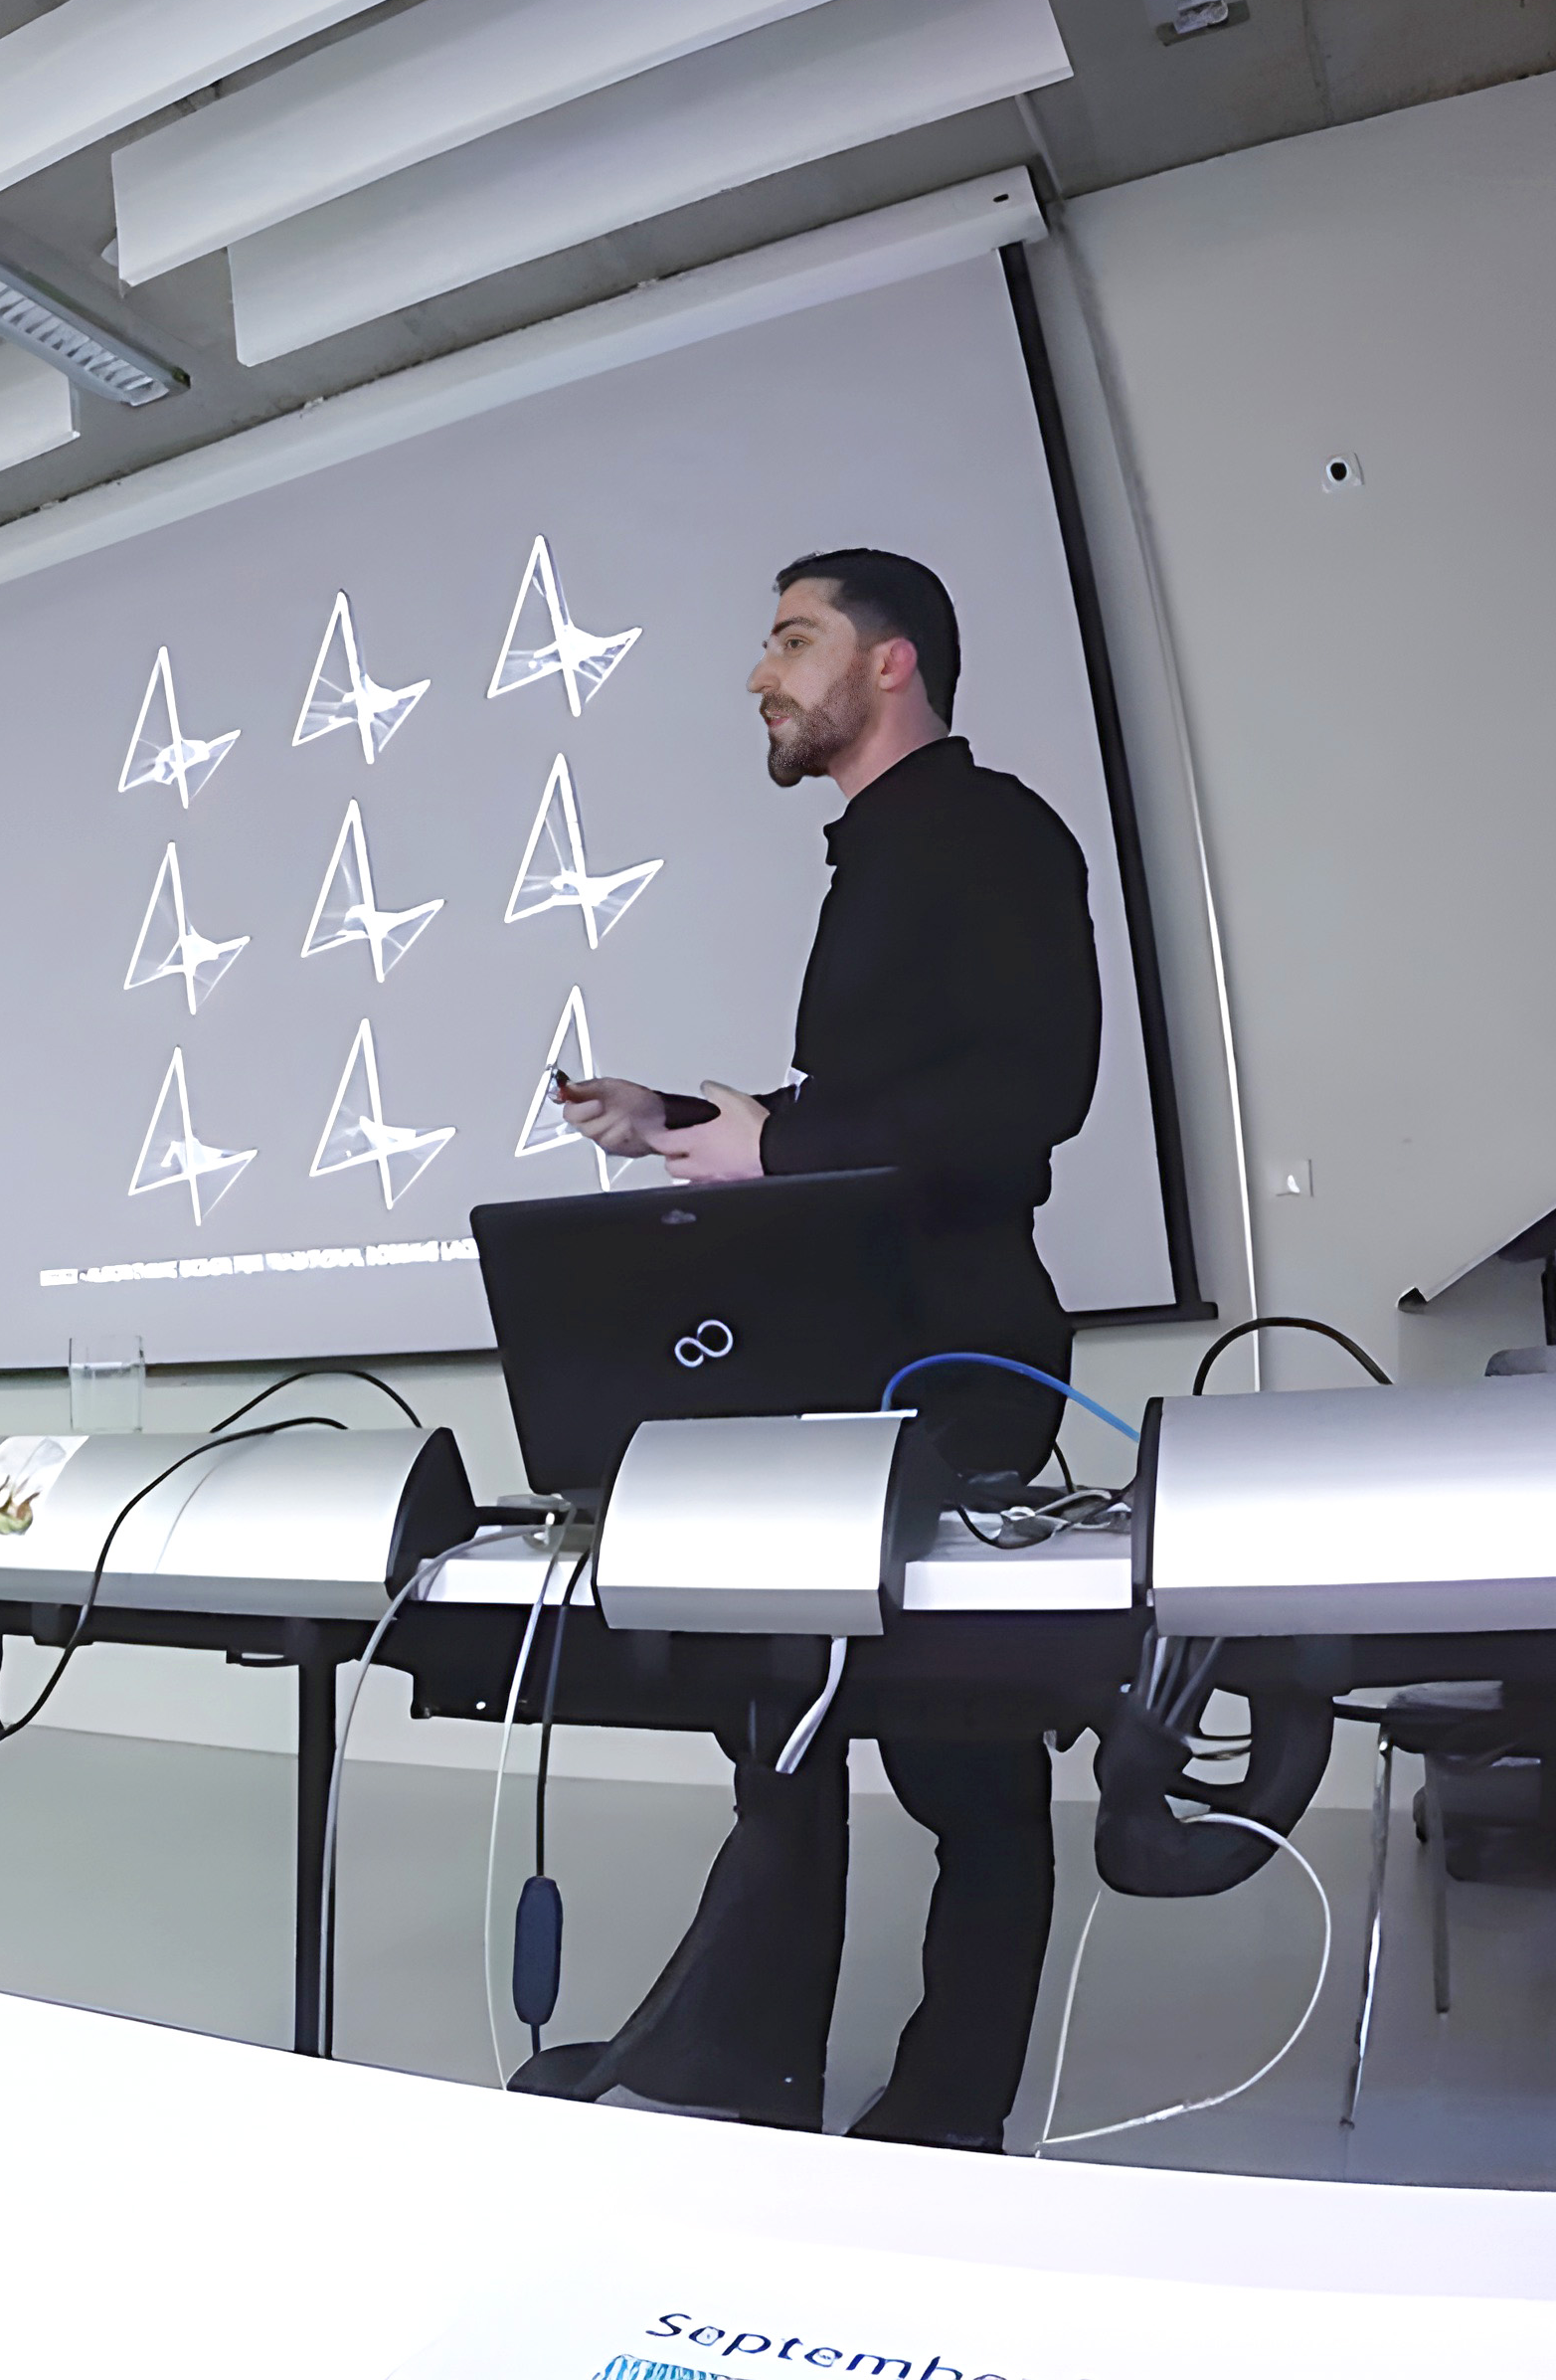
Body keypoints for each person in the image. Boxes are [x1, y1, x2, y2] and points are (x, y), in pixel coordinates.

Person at [529, 548, 1100, 2153]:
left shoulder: (995, 835)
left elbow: (1027, 1100)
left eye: (794, 639)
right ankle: (740, 2056)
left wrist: (778, 1148)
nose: (761, 674)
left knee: (963, 1753)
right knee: (780, 1714)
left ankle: (949, 2115)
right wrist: (683, 1117)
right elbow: (867, 1113)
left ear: (891, 663)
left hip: (957, 1359)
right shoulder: (875, 856)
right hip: (846, 1354)